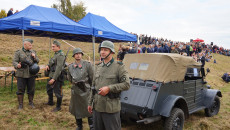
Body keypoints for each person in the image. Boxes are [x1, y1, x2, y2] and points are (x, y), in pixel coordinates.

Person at [88, 40, 130, 130]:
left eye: (106, 50)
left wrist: (109, 88)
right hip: (97, 106)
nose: (102, 52)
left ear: (111, 52)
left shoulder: (119, 67)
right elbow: (93, 87)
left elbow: (126, 84)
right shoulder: (98, 67)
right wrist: (90, 103)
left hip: (111, 108)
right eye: (101, 49)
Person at [67, 48, 94, 130]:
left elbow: (92, 78)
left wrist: (91, 88)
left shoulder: (87, 64)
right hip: (75, 90)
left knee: (88, 107)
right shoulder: (70, 66)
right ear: (74, 55)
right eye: (76, 54)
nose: (78, 55)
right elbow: (69, 78)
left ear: (82, 55)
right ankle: (79, 126)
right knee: (76, 108)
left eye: (79, 53)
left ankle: (92, 126)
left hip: (86, 89)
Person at [13, 39, 39, 110]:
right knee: (20, 90)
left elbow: (38, 61)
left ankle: (31, 103)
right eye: (30, 45)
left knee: (31, 89)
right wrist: (17, 65)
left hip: (31, 74)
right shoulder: (18, 52)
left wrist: (34, 57)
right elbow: (14, 61)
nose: (31, 46)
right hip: (21, 74)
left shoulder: (33, 52)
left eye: (31, 45)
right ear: (25, 45)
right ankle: (20, 105)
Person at [45, 40, 65, 112]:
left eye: (54, 46)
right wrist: (48, 65)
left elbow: (59, 68)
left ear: (58, 47)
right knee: (49, 89)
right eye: (52, 46)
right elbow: (52, 62)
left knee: (57, 92)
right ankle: (50, 102)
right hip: (51, 74)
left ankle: (58, 106)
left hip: (57, 76)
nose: (52, 48)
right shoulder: (56, 54)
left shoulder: (60, 55)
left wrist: (54, 78)